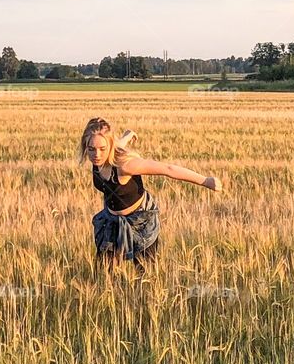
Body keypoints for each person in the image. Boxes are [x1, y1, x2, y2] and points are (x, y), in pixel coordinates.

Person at [78, 117, 222, 277]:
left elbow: (168, 169)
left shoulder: (125, 165)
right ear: (86, 146)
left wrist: (205, 180)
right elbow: (114, 144)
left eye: (102, 149)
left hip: (140, 221)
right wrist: (127, 136)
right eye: (91, 149)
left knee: (145, 273)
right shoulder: (98, 157)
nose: (96, 154)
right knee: (104, 273)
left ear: (110, 146)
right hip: (112, 222)